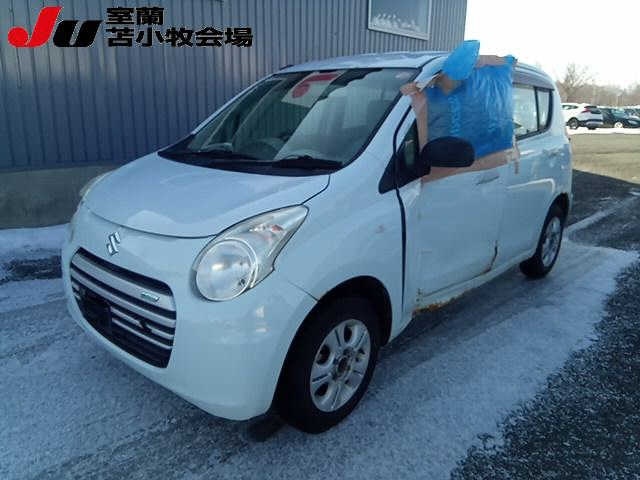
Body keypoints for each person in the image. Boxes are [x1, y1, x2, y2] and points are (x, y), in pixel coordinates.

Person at [400, 41, 520, 182]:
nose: (452, 85)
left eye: (457, 81)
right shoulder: (425, 91)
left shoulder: (470, 93)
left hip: (480, 164)